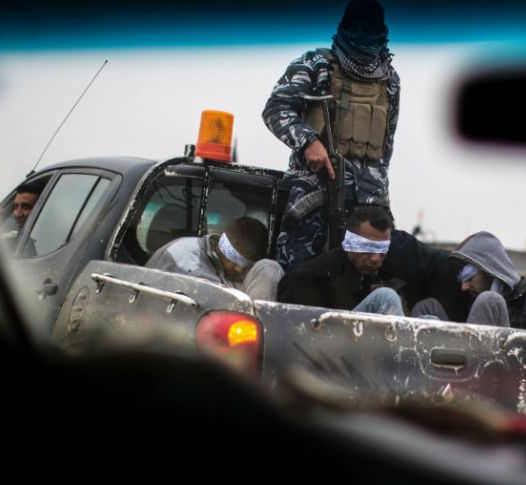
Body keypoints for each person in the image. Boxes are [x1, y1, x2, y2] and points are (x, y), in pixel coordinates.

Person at [262, 0, 400, 270]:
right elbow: (275, 109)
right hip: (314, 190)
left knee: (365, 278)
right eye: (357, 28)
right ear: (344, 27)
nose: (364, 36)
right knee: (298, 271)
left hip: (368, 203)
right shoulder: (315, 64)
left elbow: (387, 141)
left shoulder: (390, 80)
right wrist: (308, 141)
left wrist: (383, 188)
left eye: (371, 29)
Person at [277, 205, 404, 316]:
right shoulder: (315, 277)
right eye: (367, 247)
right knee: (387, 297)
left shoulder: (384, 267)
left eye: (382, 249)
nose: (376, 258)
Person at [444, 231, 526, 333]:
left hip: (505, 367)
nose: (464, 287)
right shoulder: (470, 301)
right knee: (430, 307)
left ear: (490, 270)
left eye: (469, 278)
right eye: (461, 280)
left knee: (489, 300)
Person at [145, 216, 284, 301]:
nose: (240, 268)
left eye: (247, 264)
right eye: (237, 260)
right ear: (222, 247)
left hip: (236, 334)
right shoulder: (182, 256)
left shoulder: (248, 271)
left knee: (269, 268)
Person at [0, 183, 41, 255]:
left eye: (25, 207)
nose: (17, 214)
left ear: (42, 209)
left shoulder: (46, 242)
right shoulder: (12, 238)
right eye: (16, 206)